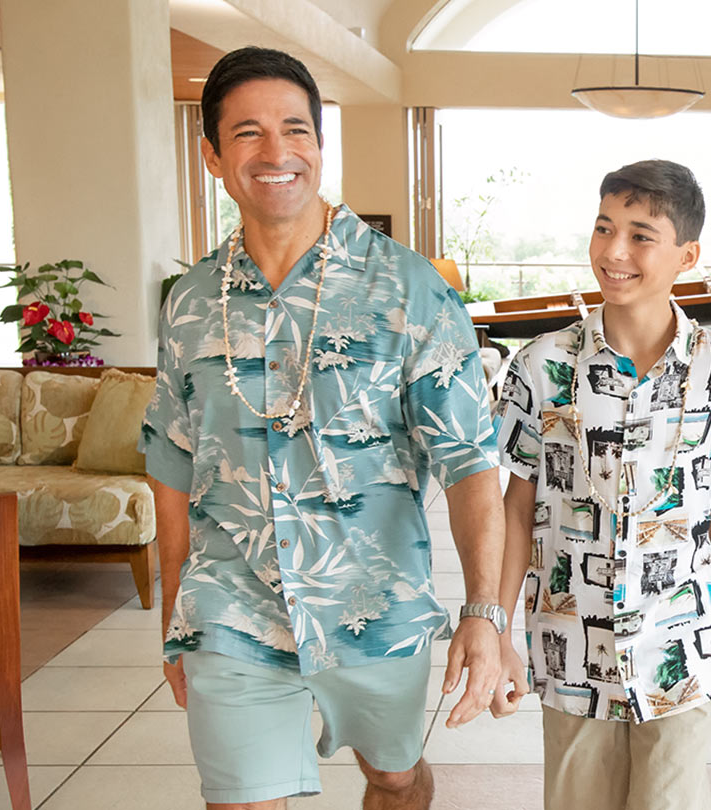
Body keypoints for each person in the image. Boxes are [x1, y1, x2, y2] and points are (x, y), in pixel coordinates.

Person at [139, 47, 505, 810]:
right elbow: (171, 466)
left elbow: (470, 463)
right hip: (229, 607)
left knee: (395, 780)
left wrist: (483, 612)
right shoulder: (189, 300)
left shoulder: (409, 289)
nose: (276, 152)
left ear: (319, 144)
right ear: (211, 155)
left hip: (373, 603)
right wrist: (177, 615)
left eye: (294, 129)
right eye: (247, 133)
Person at [489, 159, 711, 810]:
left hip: (682, 647)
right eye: (603, 228)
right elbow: (516, 508)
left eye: (641, 235)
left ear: (687, 255)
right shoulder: (541, 365)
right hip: (571, 645)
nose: (614, 252)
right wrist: (498, 628)